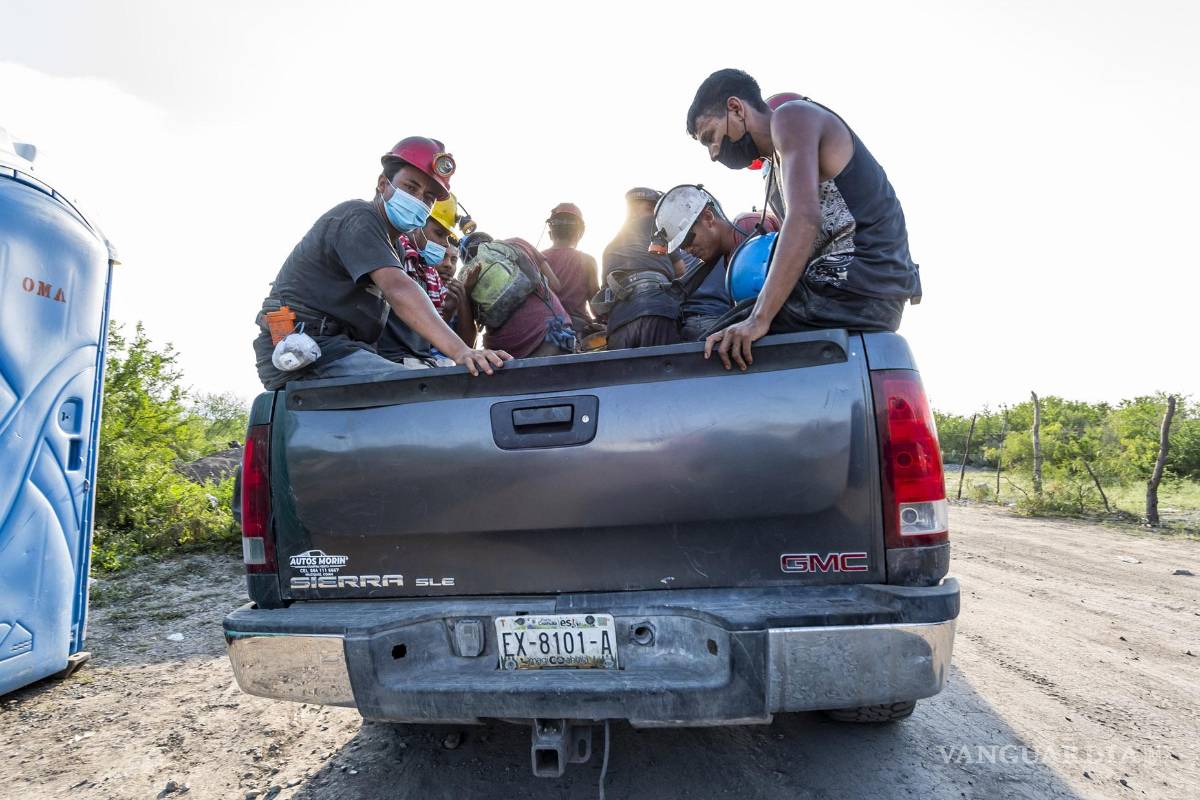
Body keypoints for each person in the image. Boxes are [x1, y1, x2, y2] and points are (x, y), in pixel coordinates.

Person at [685, 68, 922, 370]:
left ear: (736, 108)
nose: (714, 154)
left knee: (715, 347)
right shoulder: (776, 166)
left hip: (860, 283)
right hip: (853, 290)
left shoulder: (791, 117)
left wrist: (760, 319)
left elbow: (805, 219)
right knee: (726, 330)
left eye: (711, 138)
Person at [252, 137, 510, 388]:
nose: (419, 200)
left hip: (338, 349)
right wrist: (462, 352)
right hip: (305, 350)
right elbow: (397, 289)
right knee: (424, 392)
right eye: (411, 188)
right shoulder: (358, 217)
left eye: (428, 197)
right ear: (383, 184)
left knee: (432, 384)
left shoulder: (393, 244)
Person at [653, 184, 780, 340]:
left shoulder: (748, 226)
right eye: (681, 247)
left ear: (708, 218)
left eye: (687, 240)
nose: (687, 250)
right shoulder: (728, 256)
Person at [376, 193, 459, 366]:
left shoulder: (428, 273)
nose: (444, 244)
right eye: (439, 233)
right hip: (391, 362)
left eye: (446, 237)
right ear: (417, 226)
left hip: (421, 361)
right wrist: (462, 352)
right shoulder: (395, 258)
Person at [460, 237, 576, 358]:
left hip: (505, 355)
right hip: (550, 336)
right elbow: (555, 285)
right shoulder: (515, 243)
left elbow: (468, 343)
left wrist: (466, 291)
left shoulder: (465, 280)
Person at [598, 187, 685, 350]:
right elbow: (681, 270)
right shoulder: (658, 225)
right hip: (658, 309)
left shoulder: (610, 246)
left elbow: (603, 297)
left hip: (619, 320)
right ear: (654, 207)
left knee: (624, 374)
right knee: (662, 373)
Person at [540, 203, 600, 335]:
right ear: (580, 233)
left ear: (550, 232)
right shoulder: (587, 261)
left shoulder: (536, 260)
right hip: (578, 330)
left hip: (542, 331)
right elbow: (596, 305)